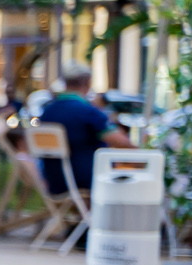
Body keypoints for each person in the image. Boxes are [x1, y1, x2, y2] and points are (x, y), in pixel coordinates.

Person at [34, 65, 131, 199]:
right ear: (88, 83)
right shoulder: (88, 111)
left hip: (54, 181)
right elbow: (122, 143)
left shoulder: (48, 111)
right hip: (86, 180)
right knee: (132, 175)